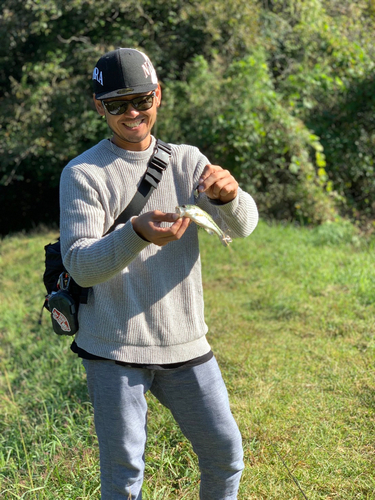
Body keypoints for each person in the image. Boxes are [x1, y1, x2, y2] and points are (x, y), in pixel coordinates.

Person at [59, 47, 258, 500]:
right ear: (99, 107)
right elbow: (82, 265)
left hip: (186, 342)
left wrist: (230, 197)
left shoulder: (187, 161)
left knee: (225, 454)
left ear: (158, 97)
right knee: (124, 476)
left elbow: (243, 227)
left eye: (142, 100)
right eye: (117, 104)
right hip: (112, 349)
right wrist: (137, 232)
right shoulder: (83, 174)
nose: (132, 113)